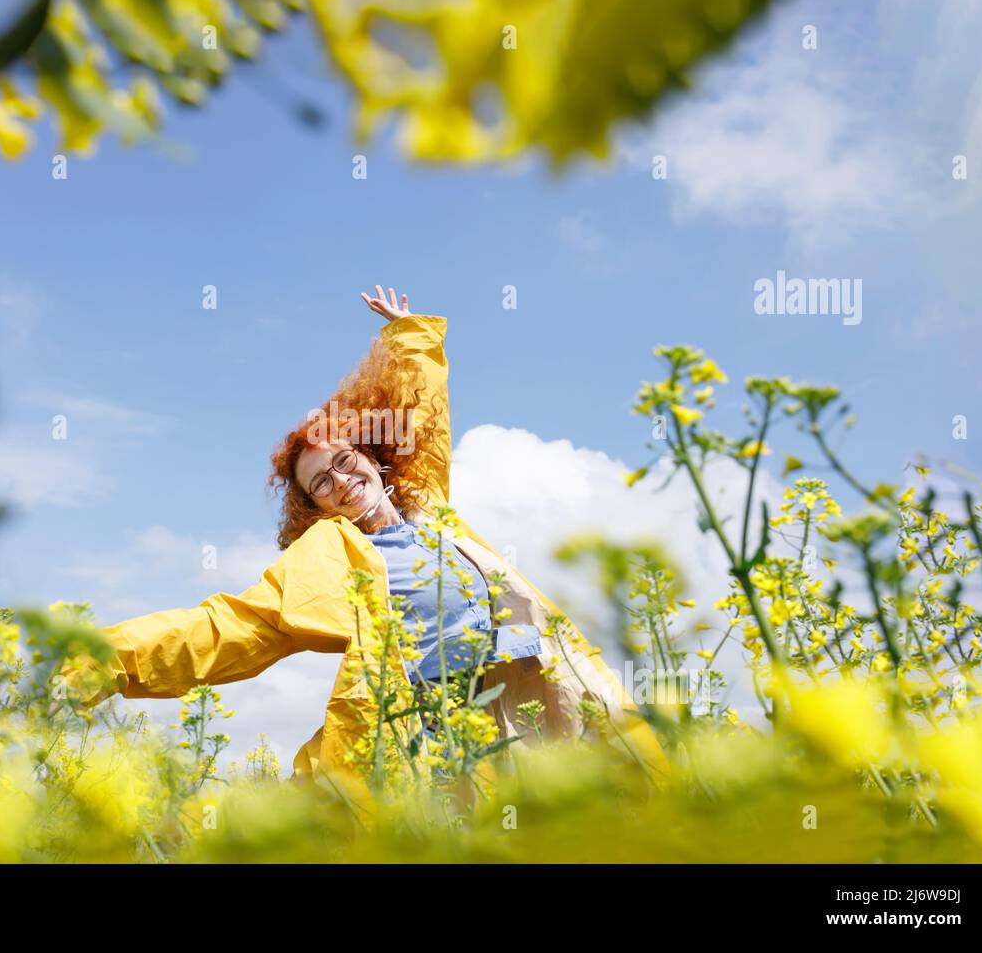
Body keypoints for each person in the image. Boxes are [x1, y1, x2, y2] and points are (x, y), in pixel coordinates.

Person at [61, 286, 668, 795]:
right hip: (433, 721)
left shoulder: (428, 506)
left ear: (374, 460)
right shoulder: (330, 557)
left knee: (598, 806)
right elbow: (230, 626)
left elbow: (427, 413)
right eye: (321, 483)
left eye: (346, 462)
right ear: (314, 506)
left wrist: (409, 338)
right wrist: (106, 658)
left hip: (529, 684)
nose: (341, 481)